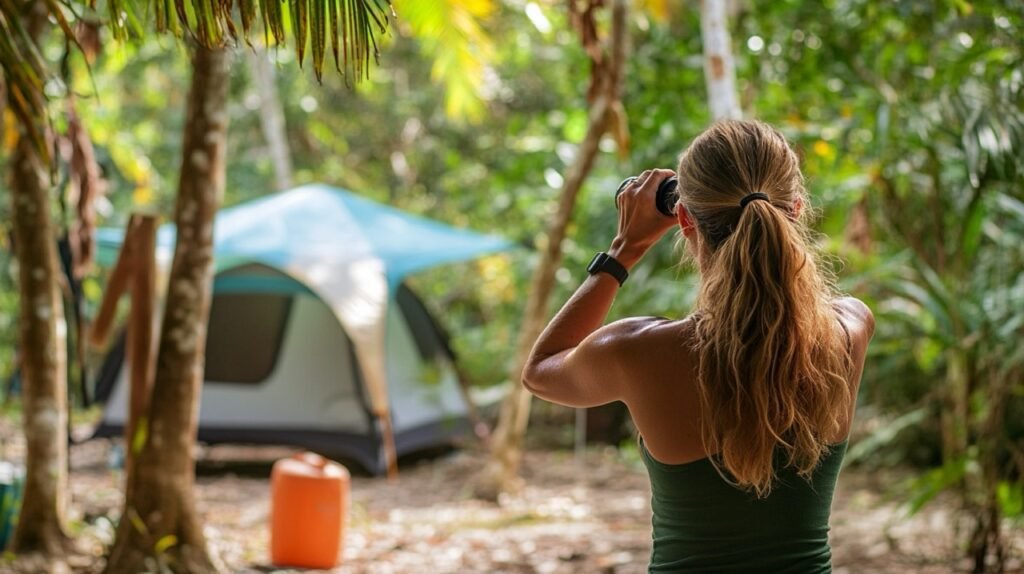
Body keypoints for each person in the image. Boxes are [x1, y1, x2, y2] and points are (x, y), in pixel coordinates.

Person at [522, 120, 874, 573]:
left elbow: (541, 369)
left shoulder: (639, 351)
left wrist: (623, 250)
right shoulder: (850, 329)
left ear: (684, 219)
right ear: (798, 210)